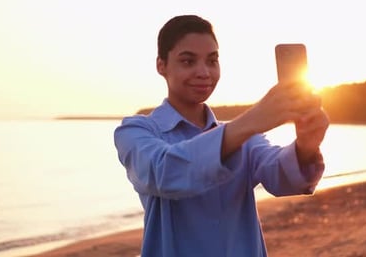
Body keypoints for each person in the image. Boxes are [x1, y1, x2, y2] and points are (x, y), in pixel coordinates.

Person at [114, 15, 329, 257]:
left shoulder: (243, 136)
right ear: (161, 65)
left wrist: (306, 147)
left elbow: (281, 177)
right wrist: (251, 120)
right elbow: (163, 172)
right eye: (188, 61)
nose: (204, 72)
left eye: (212, 61)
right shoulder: (136, 131)